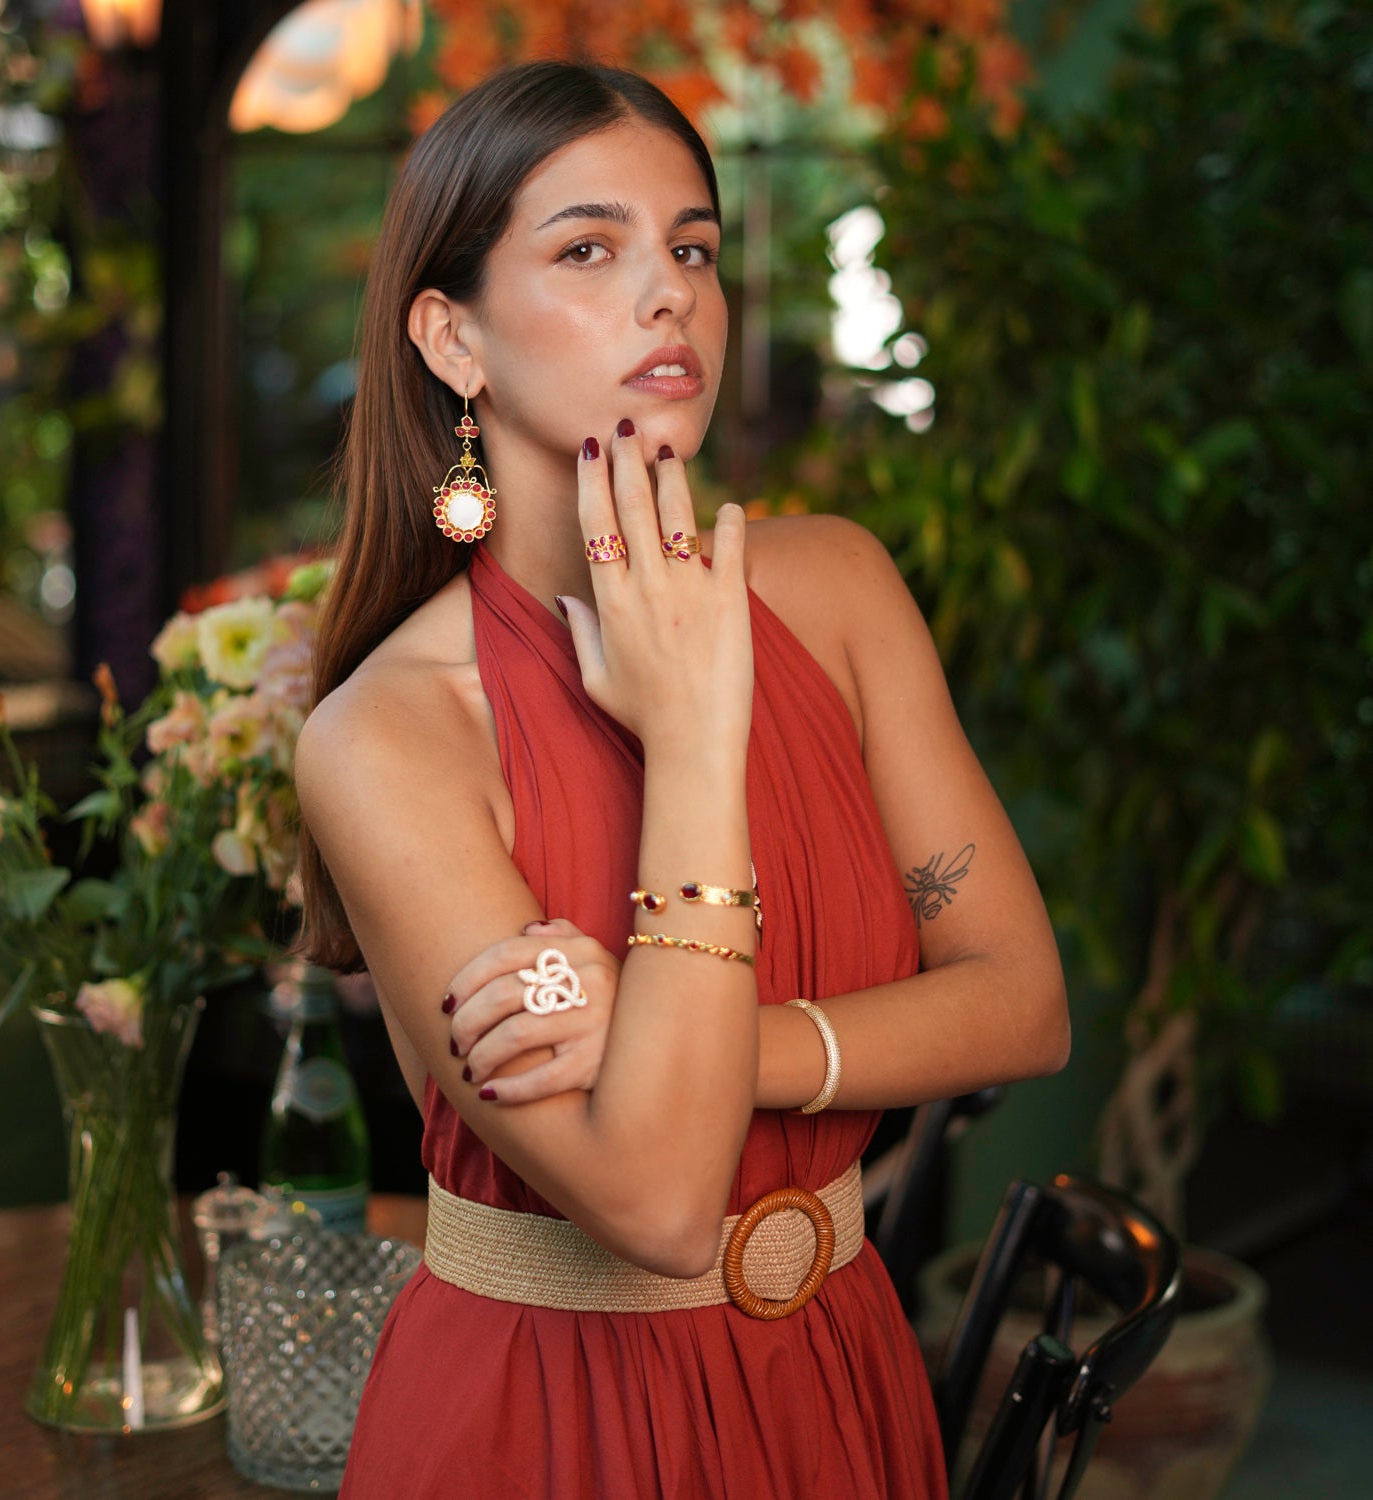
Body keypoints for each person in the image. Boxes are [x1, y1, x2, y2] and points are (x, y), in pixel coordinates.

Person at [294, 58, 1069, 1499]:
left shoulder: (836, 587)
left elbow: (1022, 1002)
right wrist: (698, 736)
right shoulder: (386, 736)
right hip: (547, 1422)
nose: (672, 296)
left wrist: (703, 1041)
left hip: (839, 1374)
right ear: (451, 338)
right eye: (590, 248)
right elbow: (653, 1200)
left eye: (693, 248)